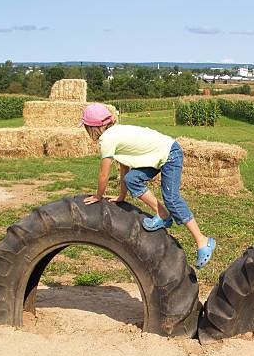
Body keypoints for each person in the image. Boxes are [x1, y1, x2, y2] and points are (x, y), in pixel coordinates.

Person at [80, 103, 215, 269]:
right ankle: (163, 214)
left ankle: (202, 240)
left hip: (169, 154)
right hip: (158, 154)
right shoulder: (116, 131)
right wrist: (122, 196)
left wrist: (98, 196)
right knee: (132, 179)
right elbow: (124, 167)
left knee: (172, 198)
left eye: (87, 128)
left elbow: (104, 174)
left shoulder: (108, 139)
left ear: (93, 127)